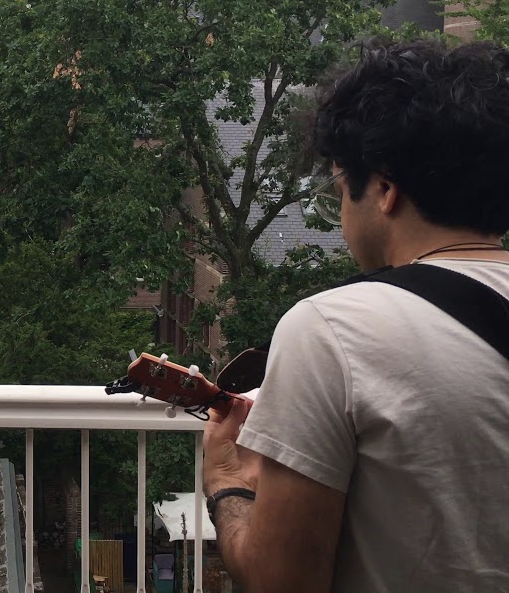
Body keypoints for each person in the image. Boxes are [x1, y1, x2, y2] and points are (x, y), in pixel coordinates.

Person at [203, 41, 509, 592]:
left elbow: (281, 582)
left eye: (342, 190)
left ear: (385, 190)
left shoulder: (331, 330)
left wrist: (227, 485)